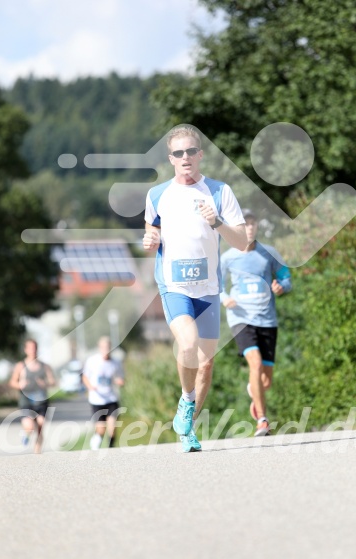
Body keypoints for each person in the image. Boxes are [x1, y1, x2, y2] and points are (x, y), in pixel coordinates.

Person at [143, 125, 247, 452]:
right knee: (186, 344)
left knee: (205, 364)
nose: (185, 157)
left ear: (200, 154)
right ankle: (186, 402)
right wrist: (149, 240)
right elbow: (152, 230)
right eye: (178, 153)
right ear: (170, 158)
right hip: (174, 286)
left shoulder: (219, 192)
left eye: (191, 151)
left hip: (209, 289)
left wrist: (216, 222)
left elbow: (243, 242)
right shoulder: (158, 195)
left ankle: (187, 430)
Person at [220, 209, 292, 436]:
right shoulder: (227, 257)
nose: (249, 228)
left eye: (252, 223)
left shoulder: (269, 253)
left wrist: (282, 286)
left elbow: (286, 277)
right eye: (245, 224)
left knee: (265, 381)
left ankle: (256, 391)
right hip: (241, 318)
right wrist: (224, 298)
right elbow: (217, 284)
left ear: (257, 226)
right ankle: (262, 420)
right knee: (255, 363)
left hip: (267, 320)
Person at [9, 338, 56, 454]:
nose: (33, 350)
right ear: (25, 350)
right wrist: (20, 384)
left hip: (41, 401)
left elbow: (53, 381)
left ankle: (37, 453)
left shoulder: (44, 366)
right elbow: (12, 382)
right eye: (30, 348)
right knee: (29, 427)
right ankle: (26, 434)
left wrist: (45, 383)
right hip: (26, 401)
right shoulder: (21, 366)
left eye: (34, 348)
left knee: (40, 426)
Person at [82, 336, 125, 450]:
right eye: (103, 347)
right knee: (101, 428)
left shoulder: (116, 362)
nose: (106, 349)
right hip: (97, 399)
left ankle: (111, 449)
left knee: (112, 426)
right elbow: (85, 377)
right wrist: (90, 387)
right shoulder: (92, 361)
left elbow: (120, 378)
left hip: (111, 398)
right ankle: (96, 440)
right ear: (100, 347)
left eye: (108, 347)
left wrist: (119, 381)